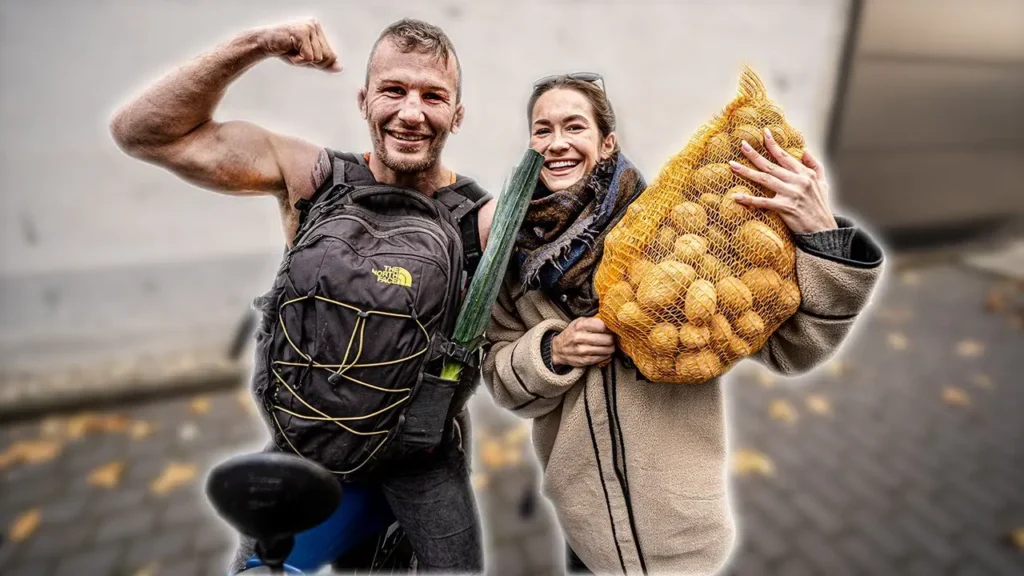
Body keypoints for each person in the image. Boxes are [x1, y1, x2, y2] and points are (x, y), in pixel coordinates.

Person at [110, 17, 492, 573]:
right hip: (307, 447)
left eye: (433, 96)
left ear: (456, 114)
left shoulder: (484, 224)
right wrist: (257, 44)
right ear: (364, 100)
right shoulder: (311, 178)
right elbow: (142, 132)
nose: (412, 112)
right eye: (393, 90)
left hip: (421, 461)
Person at [481, 74, 884, 574]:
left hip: (682, 533)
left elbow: (793, 350)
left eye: (574, 126)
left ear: (607, 143)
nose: (556, 143)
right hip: (589, 532)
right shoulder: (511, 260)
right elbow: (502, 380)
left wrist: (822, 239)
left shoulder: (671, 229)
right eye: (542, 130)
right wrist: (552, 353)